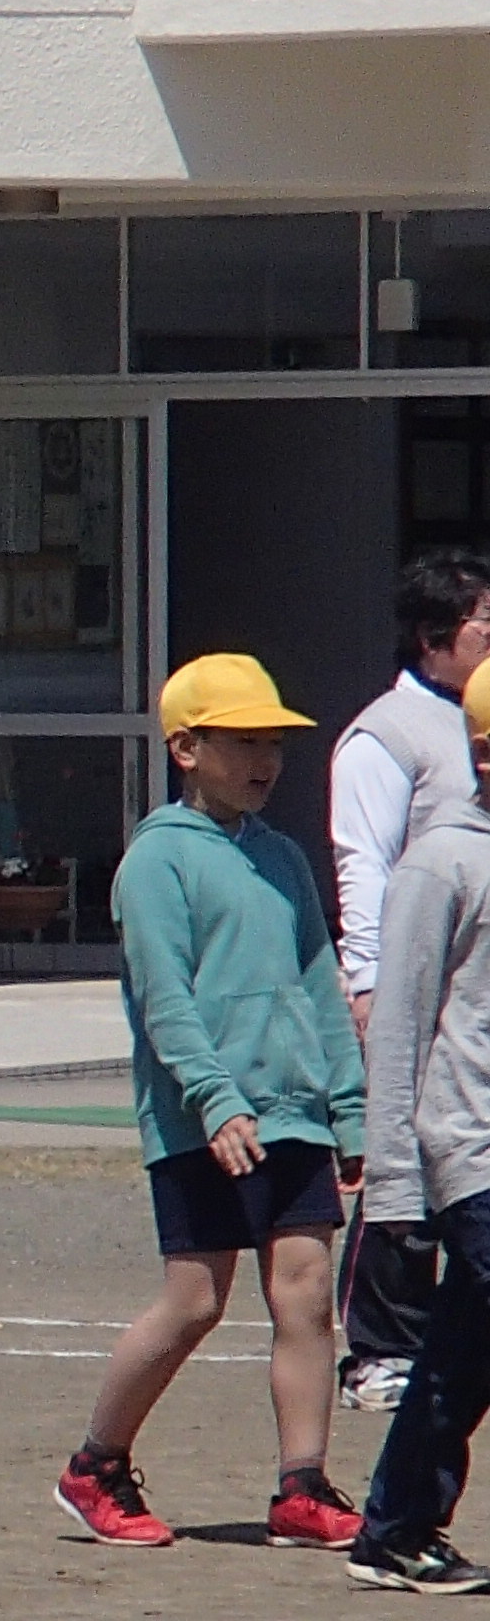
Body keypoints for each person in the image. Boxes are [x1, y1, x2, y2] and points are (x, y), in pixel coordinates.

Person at [55, 655, 365, 1552]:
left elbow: (319, 981)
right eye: (243, 741)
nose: (265, 759)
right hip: (204, 1121)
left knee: (306, 1297)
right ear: (186, 748)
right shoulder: (158, 859)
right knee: (194, 1301)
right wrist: (215, 1100)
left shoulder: (282, 859)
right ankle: (95, 1465)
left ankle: (301, 1486)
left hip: (296, 1109)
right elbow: (166, 1001)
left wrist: (349, 1111)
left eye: (273, 742)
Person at [330, 551, 490, 1416]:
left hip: (474, 977)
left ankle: (433, 1331)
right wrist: (368, 981)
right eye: (484, 629)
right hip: (412, 974)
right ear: (434, 639)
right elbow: (365, 860)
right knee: (402, 1152)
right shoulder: (387, 732)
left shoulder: (477, 718)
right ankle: (378, 1344)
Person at [346, 670, 490, 1591]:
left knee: (464, 1351)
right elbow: (399, 1024)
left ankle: (397, 1526)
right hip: (472, 1147)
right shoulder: (443, 862)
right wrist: (397, 1179)